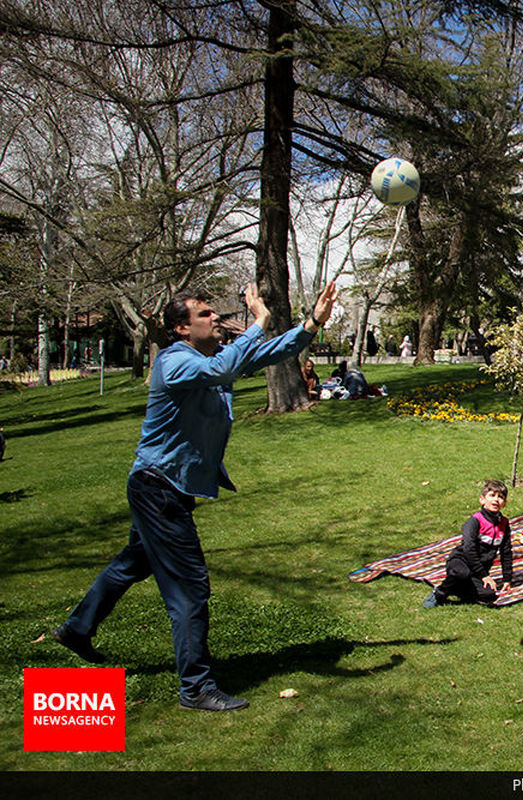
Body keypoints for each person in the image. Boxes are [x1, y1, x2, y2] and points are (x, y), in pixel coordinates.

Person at [50, 280, 340, 713]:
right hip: (158, 488)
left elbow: (264, 353)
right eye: (205, 314)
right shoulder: (175, 362)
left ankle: (77, 629)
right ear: (181, 328)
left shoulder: (206, 358)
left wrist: (313, 321)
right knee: (189, 588)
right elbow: (228, 366)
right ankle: (195, 688)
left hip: (168, 487)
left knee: (134, 561)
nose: (215, 319)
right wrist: (258, 319)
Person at [423, 480, 513, 608]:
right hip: (462, 560)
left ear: (504, 503)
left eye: (501, 497)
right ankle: (439, 593)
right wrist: (485, 576)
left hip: (478, 569)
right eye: (492, 495)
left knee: (489, 595)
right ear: (482, 500)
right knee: (461, 572)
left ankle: (457, 587)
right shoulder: (475, 521)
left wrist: (507, 578)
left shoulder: (504, 523)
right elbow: (468, 549)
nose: (496, 500)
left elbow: (506, 551)